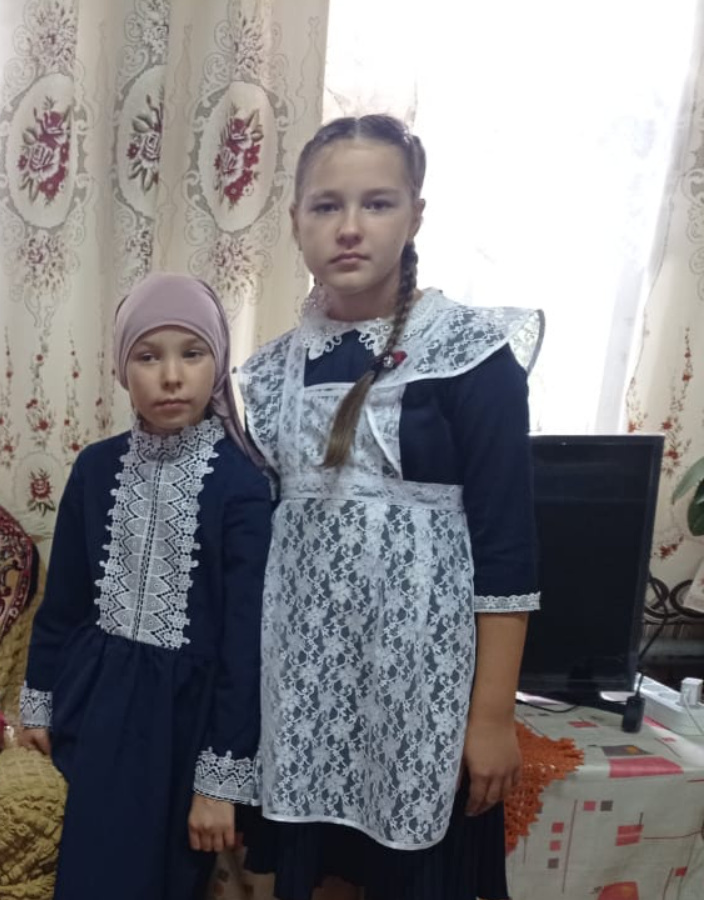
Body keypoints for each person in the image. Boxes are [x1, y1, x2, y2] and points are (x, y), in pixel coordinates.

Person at [237, 114, 543, 900]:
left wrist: (490, 718)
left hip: (422, 700)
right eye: (325, 205)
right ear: (295, 221)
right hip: (304, 696)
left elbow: (506, 553)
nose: (349, 227)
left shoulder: (471, 356)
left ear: (415, 216)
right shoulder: (266, 376)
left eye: (377, 203)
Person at [17, 273, 274, 898]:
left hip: (188, 722)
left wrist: (219, 779)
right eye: (148, 356)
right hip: (99, 707)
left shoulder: (243, 484)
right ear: (121, 369)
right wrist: (38, 701)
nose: (172, 376)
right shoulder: (95, 467)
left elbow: (246, 645)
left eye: (192, 353)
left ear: (218, 363)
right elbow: (64, 602)